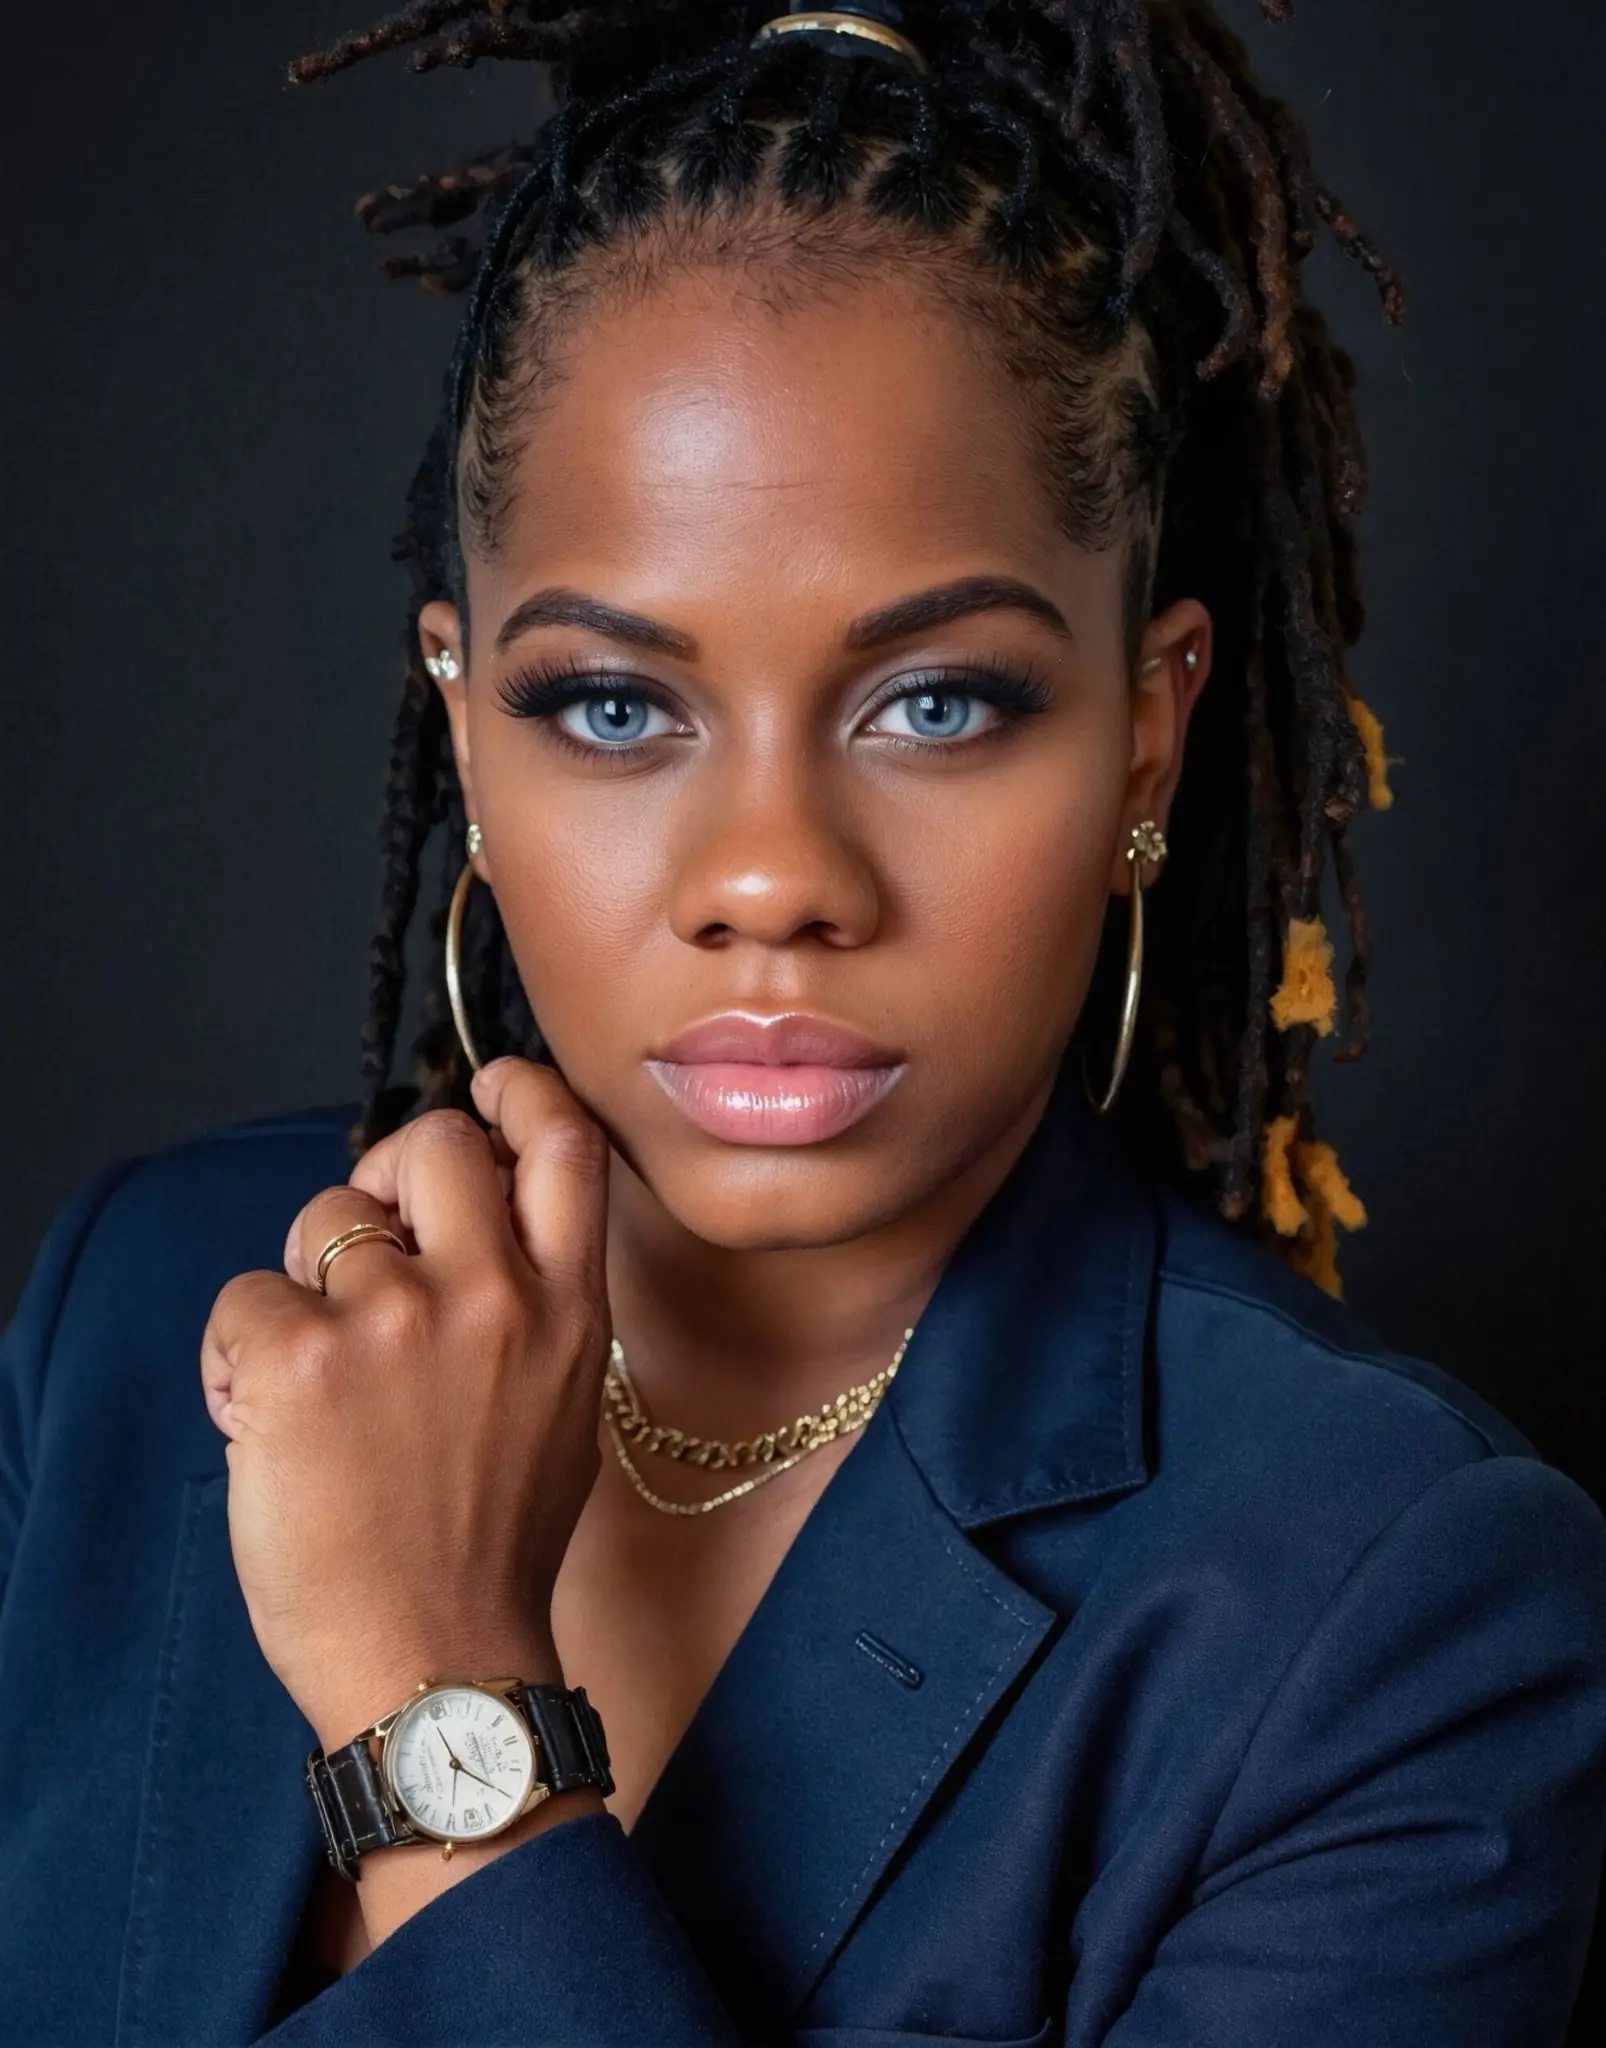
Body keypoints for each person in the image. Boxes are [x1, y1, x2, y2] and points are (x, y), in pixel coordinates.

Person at [2, 3, 1603, 2042]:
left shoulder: (1387, 1606)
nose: (770, 876)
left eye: (934, 702)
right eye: (613, 703)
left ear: (1142, 735)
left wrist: (434, 1695)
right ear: (465, 729)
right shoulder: (137, 1314)